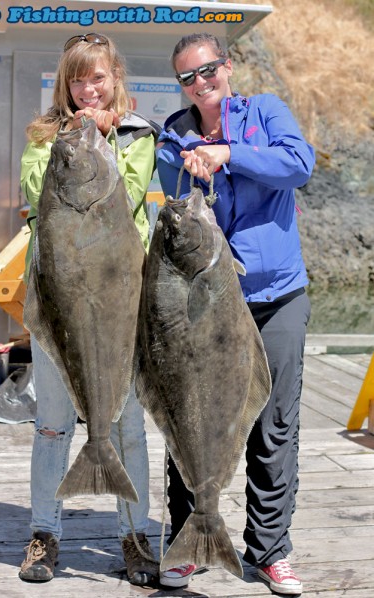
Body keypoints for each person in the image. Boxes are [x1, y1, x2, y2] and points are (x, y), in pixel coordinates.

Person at [156, 33, 315, 595]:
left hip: (279, 299)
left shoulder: (266, 112)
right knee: (192, 420)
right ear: (180, 85)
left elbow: (298, 165)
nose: (201, 83)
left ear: (227, 67)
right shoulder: (173, 138)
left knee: (274, 429)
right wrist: (193, 168)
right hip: (207, 307)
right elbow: (175, 209)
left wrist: (229, 154)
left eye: (208, 70)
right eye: (188, 77)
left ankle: (269, 551)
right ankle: (187, 538)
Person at [18, 32, 160, 586]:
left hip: (122, 305)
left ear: (115, 77)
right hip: (58, 302)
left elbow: (125, 196)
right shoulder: (41, 135)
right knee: (52, 427)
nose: (88, 88)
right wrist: (71, 142)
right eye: (78, 78)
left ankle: (134, 536)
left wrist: (110, 144)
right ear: (65, 82)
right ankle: (44, 535)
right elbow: (38, 191)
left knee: (128, 428)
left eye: (97, 76)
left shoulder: (137, 134)